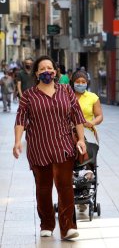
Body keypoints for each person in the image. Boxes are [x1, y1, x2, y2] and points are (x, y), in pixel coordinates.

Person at [13, 55, 86, 240]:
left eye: (49, 68)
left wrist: (81, 140)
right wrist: (17, 142)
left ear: (55, 71)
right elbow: (20, 119)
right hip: (39, 147)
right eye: (42, 69)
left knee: (65, 186)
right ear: (36, 74)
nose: (47, 71)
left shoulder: (66, 91)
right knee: (44, 188)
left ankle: (68, 227)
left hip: (63, 145)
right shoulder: (29, 95)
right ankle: (46, 224)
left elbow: (77, 116)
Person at [71, 70, 103, 212]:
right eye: (78, 82)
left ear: (87, 83)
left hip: (88, 132)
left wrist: (92, 123)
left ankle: (86, 180)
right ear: (73, 82)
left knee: (88, 154)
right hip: (69, 132)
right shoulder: (67, 96)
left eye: (83, 82)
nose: (80, 84)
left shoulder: (93, 97)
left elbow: (99, 116)